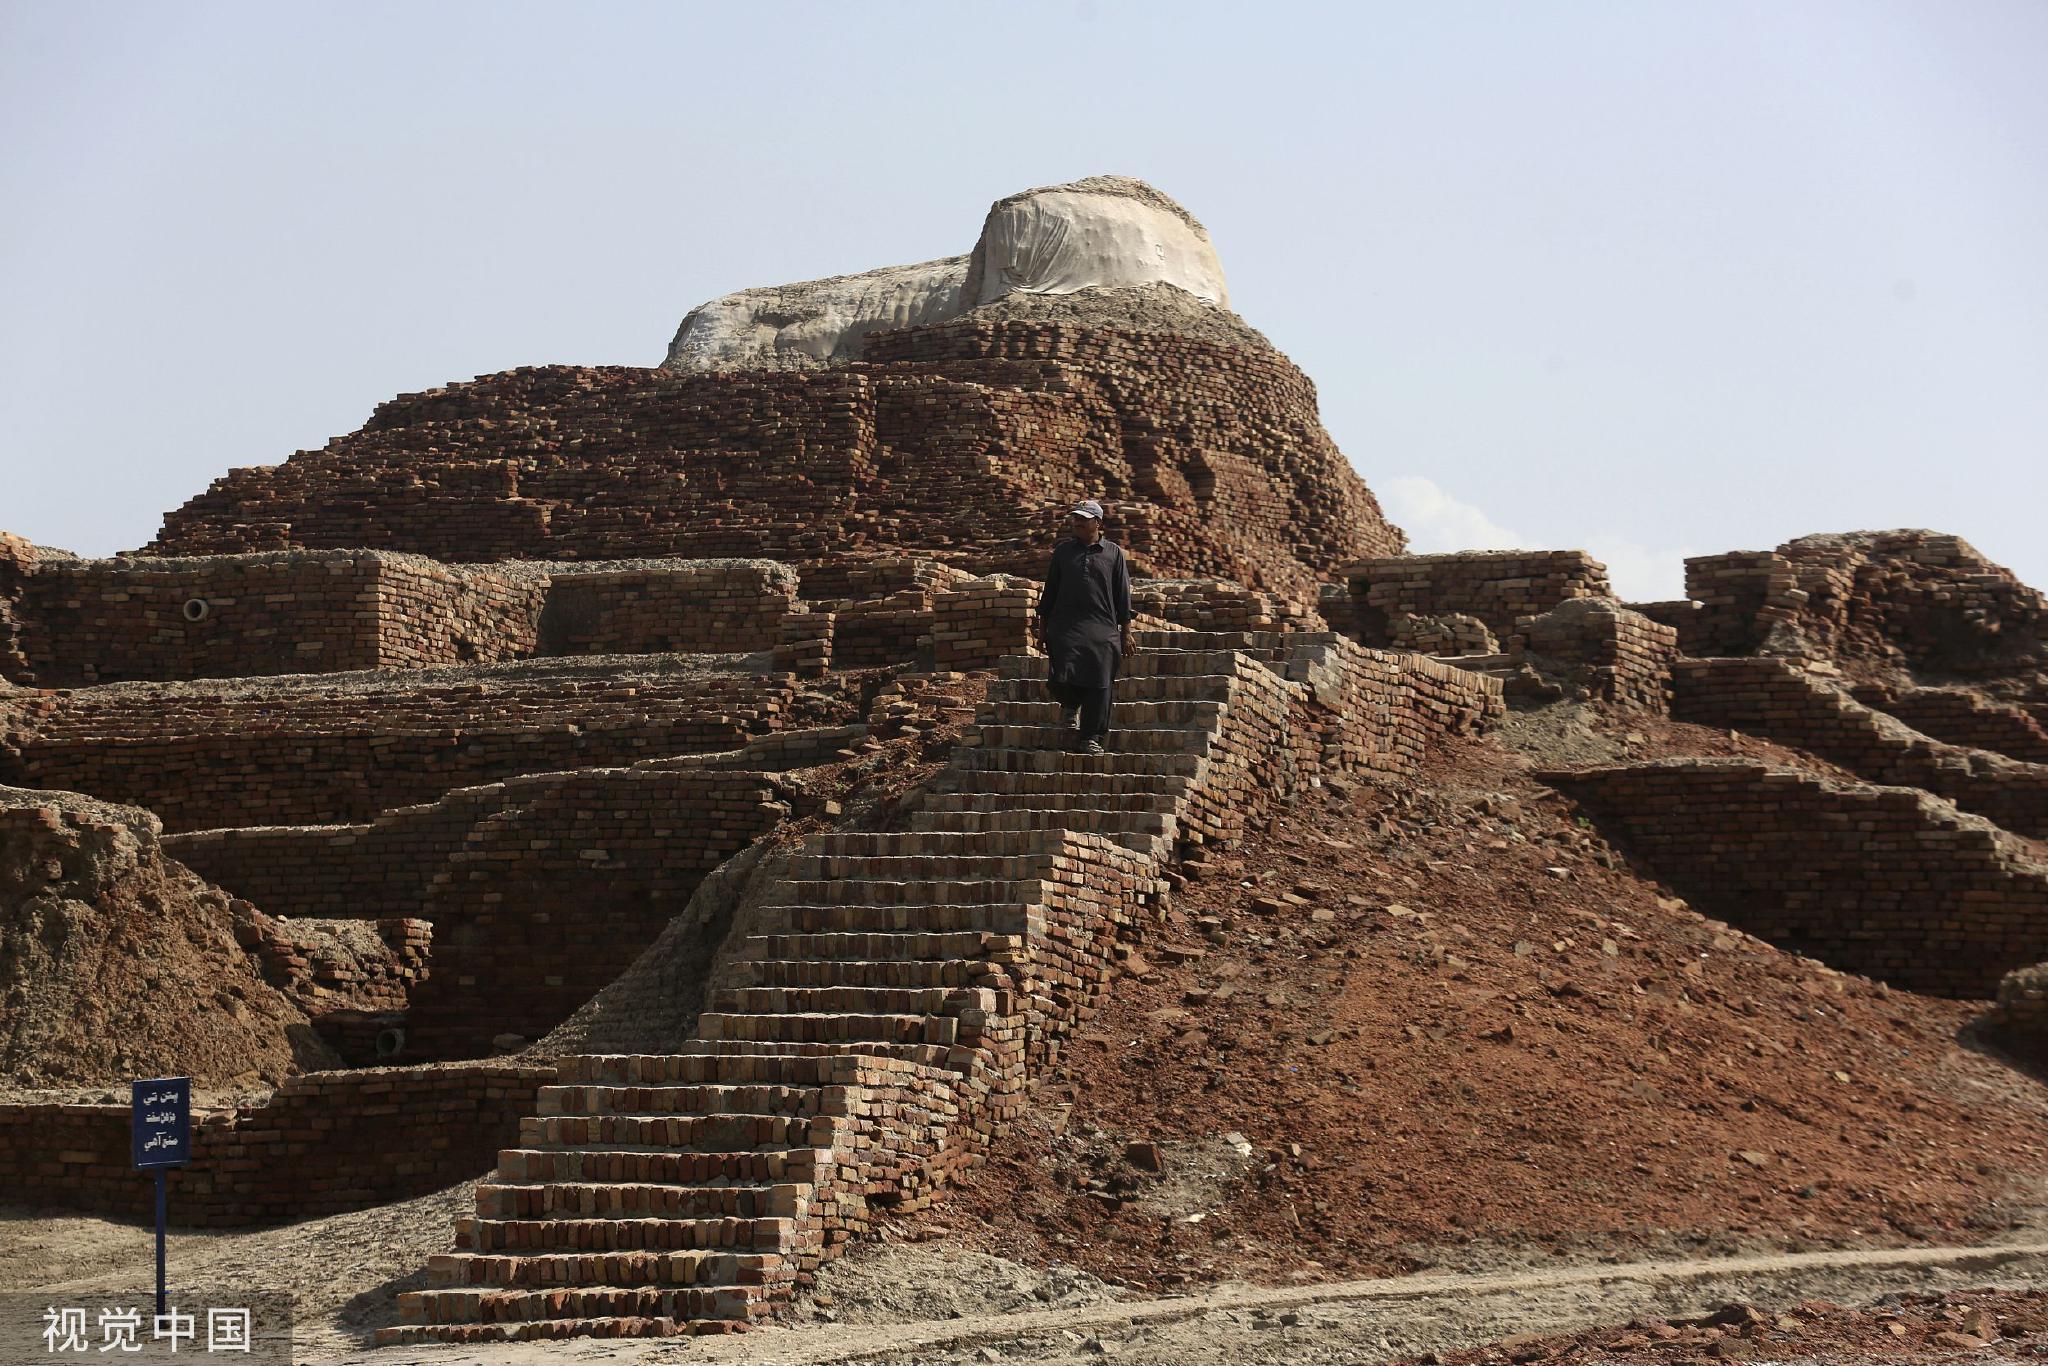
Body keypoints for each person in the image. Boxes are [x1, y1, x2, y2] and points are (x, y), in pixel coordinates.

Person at [1035, 499, 1135, 755]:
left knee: (1100, 683)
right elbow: (1051, 591)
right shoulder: (1063, 552)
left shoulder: (1113, 554)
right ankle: (1070, 704)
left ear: (1098, 523)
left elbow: (1123, 595)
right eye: (1075, 517)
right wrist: (1042, 627)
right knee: (1060, 677)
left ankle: (1091, 737)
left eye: (1083, 518)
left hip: (1102, 627)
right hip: (1065, 625)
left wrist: (1127, 632)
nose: (1077, 522)